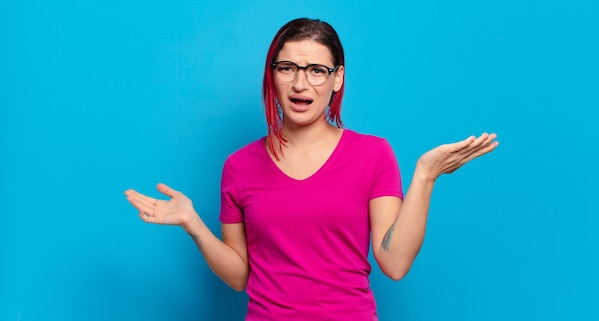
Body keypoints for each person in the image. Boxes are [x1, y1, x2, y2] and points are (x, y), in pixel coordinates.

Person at [125, 18, 498, 321]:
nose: (300, 83)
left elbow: (395, 263)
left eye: (317, 70)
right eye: (287, 68)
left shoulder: (373, 155)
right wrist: (193, 223)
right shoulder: (239, 166)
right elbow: (240, 276)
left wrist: (424, 176)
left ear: (337, 78)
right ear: (272, 74)